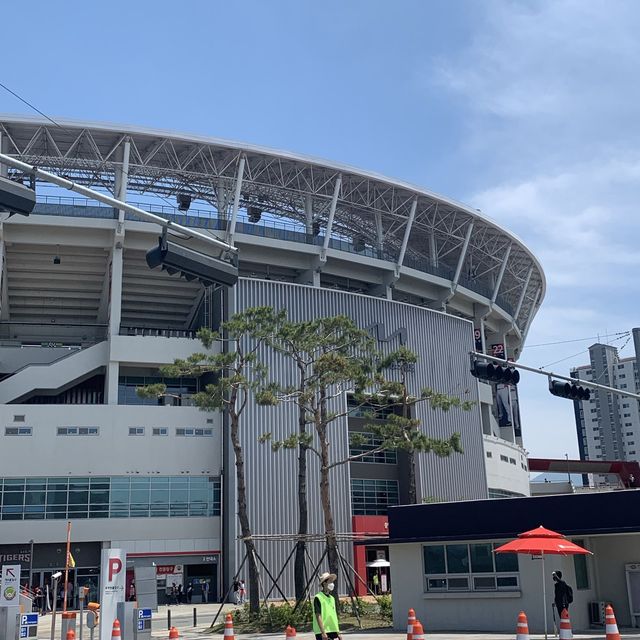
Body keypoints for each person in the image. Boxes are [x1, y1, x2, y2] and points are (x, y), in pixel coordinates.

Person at [313, 572, 341, 640]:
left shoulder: (332, 598)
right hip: (323, 632)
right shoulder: (318, 597)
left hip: (332, 630)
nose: (332, 584)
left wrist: (338, 632)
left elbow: (333, 616)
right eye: (330, 581)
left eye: (332, 581)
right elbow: (318, 615)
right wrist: (323, 632)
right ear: (324, 583)